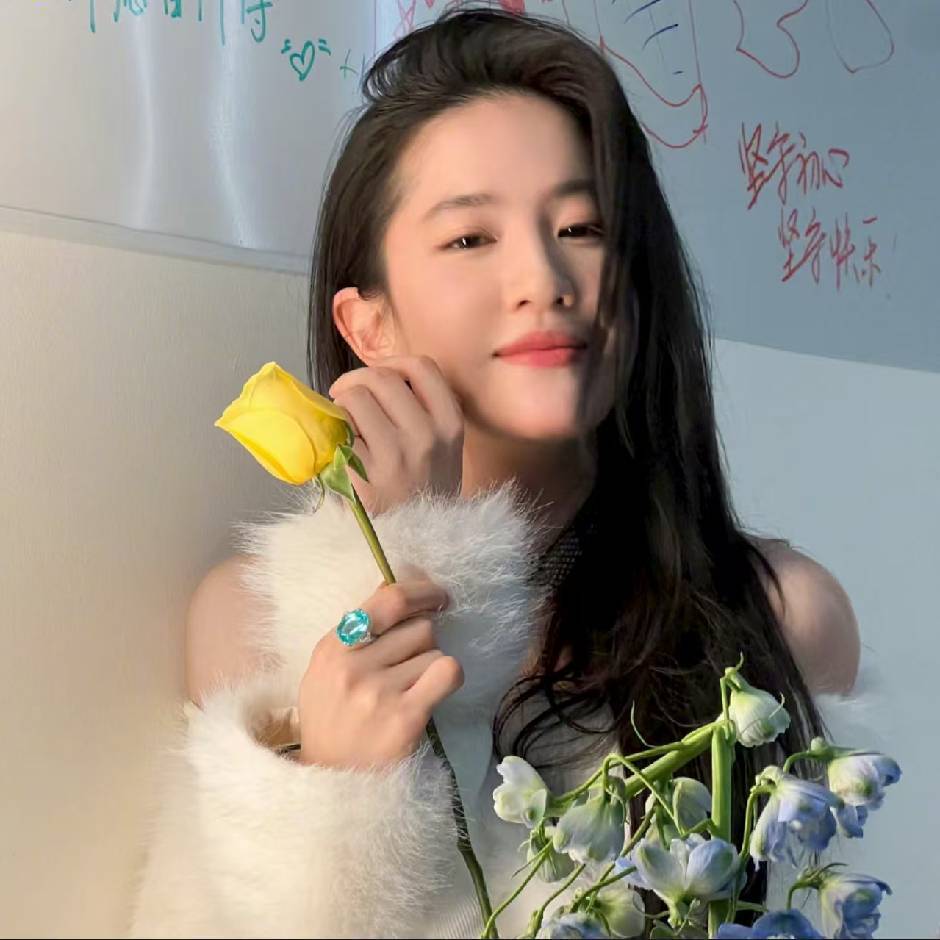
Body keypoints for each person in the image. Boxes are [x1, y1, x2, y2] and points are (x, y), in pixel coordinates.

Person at [127, 6, 861, 938]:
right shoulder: (256, 626)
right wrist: (339, 795)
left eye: (584, 226)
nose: (546, 279)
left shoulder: (783, 617)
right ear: (369, 326)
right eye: (471, 238)